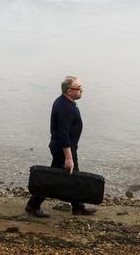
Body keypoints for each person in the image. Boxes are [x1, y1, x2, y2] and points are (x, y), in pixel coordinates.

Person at [25, 76, 96, 217]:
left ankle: (78, 207)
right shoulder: (64, 107)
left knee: (71, 176)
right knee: (53, 179)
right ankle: (33, 205)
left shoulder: (65, 102)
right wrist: (68, 158)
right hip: (63, 149)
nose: (82, 90)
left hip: (65, 148)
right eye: (79, 88)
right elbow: (63, 134)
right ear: (69, 91)